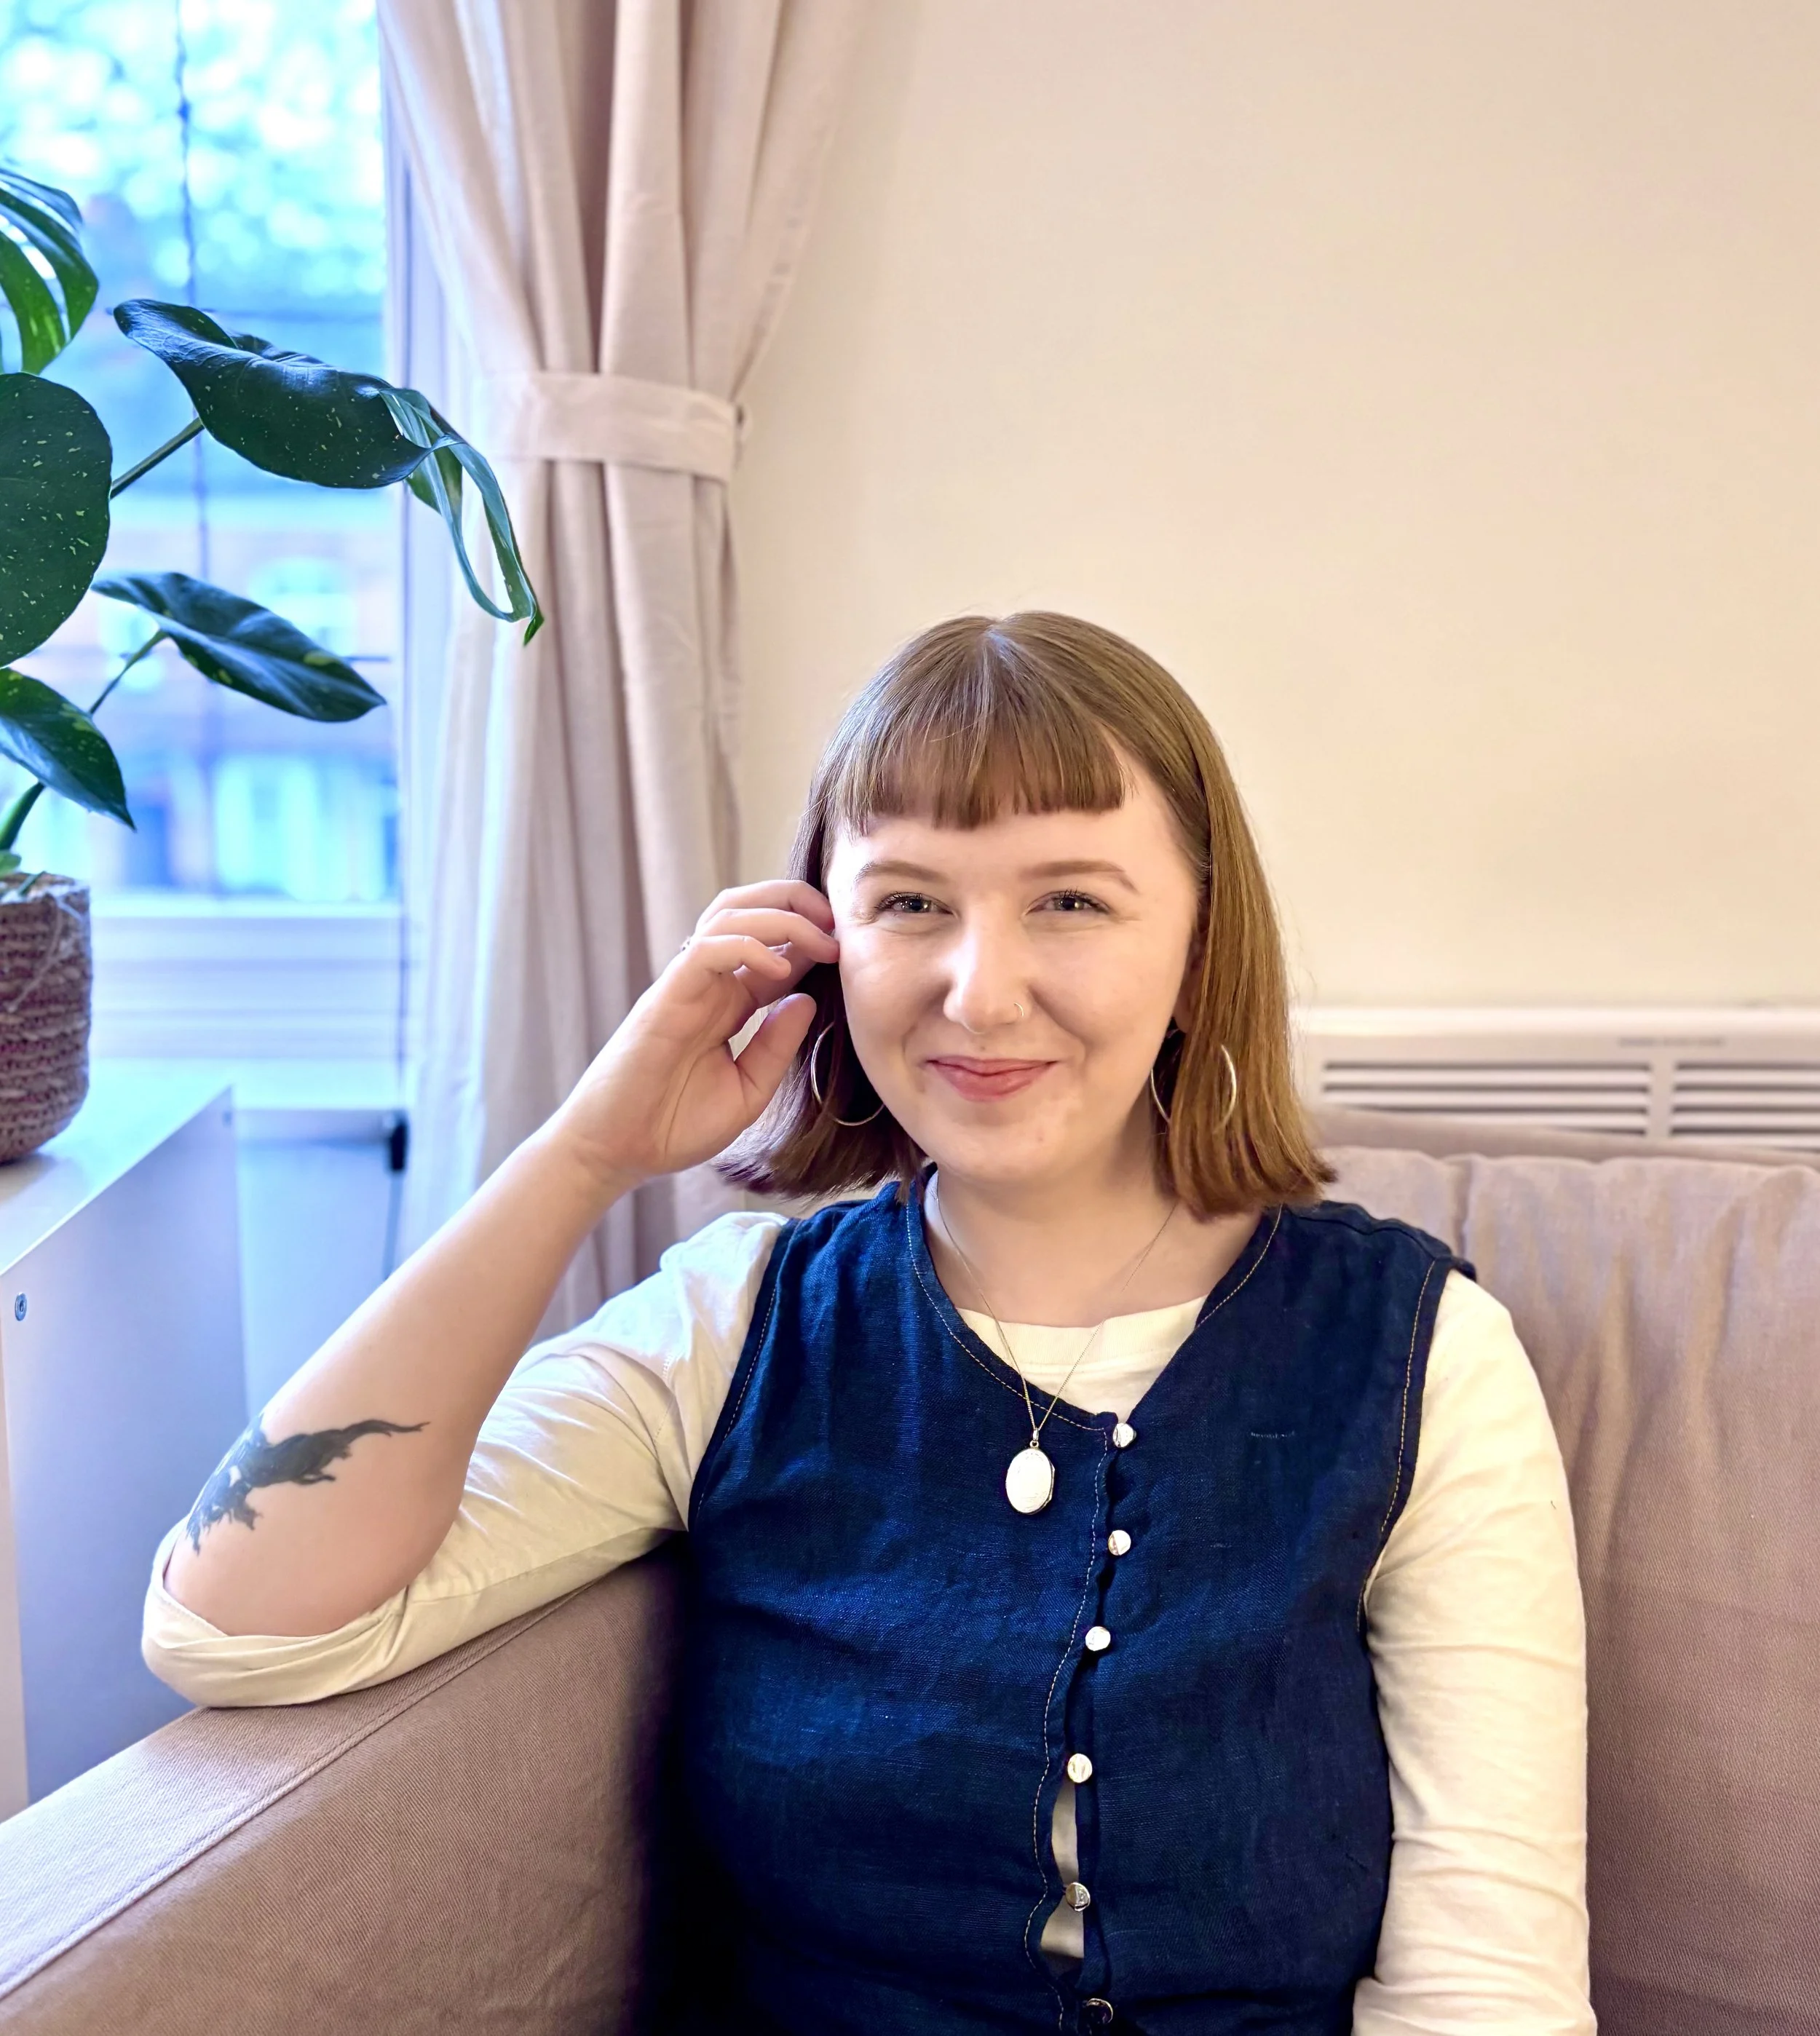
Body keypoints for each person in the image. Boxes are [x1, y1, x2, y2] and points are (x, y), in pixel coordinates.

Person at [146, 613, 1593, 2035]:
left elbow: (1488, 1984)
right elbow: (236, 1627)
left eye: (1069, 901)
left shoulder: (1419, 1357)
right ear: (822, 940)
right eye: (908, 902)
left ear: (1197, 938)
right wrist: (578, 1155)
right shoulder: (730, 1329)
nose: (981, 986)